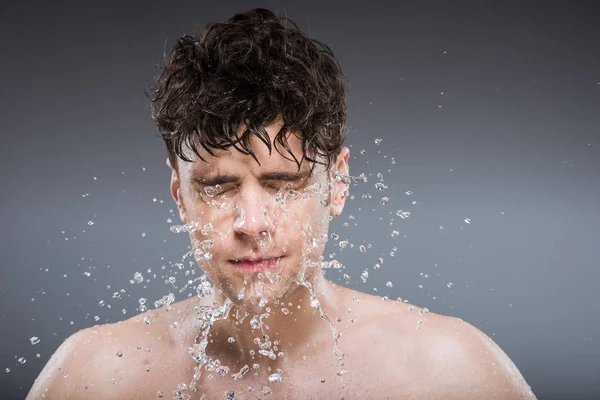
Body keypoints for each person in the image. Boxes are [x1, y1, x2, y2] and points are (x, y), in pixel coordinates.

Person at [27, 8, 536, 400]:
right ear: (180, 197)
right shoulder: (98, 377)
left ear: (337, 184)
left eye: (283, 183)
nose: (251, 224)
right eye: (218, 187)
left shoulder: (447, 375)